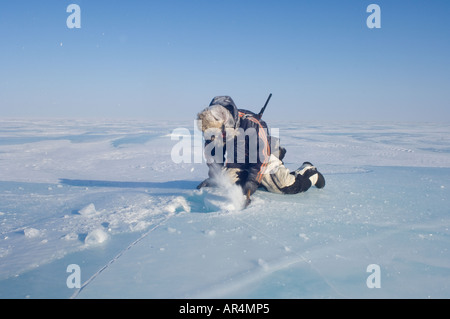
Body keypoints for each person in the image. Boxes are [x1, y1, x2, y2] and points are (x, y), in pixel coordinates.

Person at [196, 95, 325, 199]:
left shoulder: (252, 124)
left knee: (284, 185)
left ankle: (309, 172)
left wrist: (252, 180)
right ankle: (254, 179)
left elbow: (261, 157)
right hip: (238, 161)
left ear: (224, 122)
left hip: (264, 157)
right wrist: (216, 178)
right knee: (224, 184)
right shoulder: (210, 126)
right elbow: (213, 156)